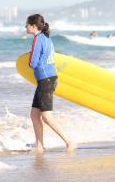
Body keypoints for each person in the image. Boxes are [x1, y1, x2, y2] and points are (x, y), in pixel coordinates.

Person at [25, 14, 73, 153]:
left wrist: (29, 56)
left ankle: (69, 142)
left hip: (45, 80)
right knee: (34, 115)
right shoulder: (47, 39)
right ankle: (39, 146)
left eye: (27, 24)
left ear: (34, 26)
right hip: (48, 79)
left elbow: (32, 63)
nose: (25, 27)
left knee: (46, 116)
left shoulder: (38, 39)